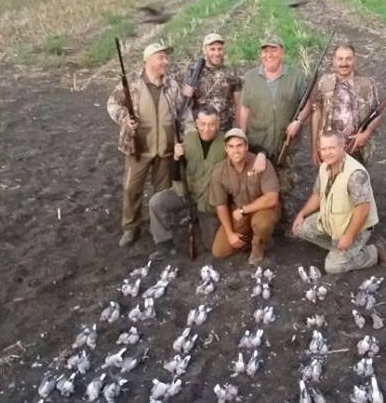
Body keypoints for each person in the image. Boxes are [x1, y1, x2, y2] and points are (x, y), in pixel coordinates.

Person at [107, 42, 192, 247]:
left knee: (161, 192)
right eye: (161, 57)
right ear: (148, 61)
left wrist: (189, 134)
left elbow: (183, 113)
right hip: (139, 148)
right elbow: (112, 104)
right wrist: (125, 118)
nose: (166, 61)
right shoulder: (133, 85)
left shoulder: (171, 85)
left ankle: (160, 231)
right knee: (131, 189)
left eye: (165, 57)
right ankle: (130, 227)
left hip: (165, 149)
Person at [292, 130, 386, 273]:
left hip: (355, 228)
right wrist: (301, 214)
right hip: (332, 221)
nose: (327, 153)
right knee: (300, 229)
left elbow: (363, 210)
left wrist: (349, 236)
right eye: (323, 149)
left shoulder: (355, 174)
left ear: (342, 146)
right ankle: (341, 249)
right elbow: (317, 194)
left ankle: (374, 251)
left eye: (331, 148)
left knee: (333, 267)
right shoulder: (324, 167)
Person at [148, 106, 226, 258]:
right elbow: (175, 175)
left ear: (218, 124)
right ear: (196, 123)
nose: (207, 129)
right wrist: (176, 158)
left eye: (211, 124)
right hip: (186, 192)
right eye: (203, 124)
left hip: (209, 200)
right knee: (156, 202)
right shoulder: (188, 140)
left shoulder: (226, 143)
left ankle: (202, 217)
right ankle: (164, 242)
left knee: (212, 245)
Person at [210, 128, 280, 265]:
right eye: (231, 146)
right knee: (219, 250)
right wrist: (230, 234)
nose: (236, 151)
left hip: (264, 208)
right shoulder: (219, 171)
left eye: (239, 145)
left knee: (262, 223)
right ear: (226, 149)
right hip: (239, 211)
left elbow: (272, 198)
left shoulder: (261, 163)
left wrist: (244, 210)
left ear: (247, 146)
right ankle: (255, 238)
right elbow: (221, 205)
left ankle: (259, 246)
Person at [239, 35, 308, 166]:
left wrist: (298, 121)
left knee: (285, 184)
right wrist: (242, 137)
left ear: (282, 52)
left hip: (286, 145)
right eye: (265, 51)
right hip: (257, 146)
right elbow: (244, 109)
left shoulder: (296, 77)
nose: (269, 55)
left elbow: (307, 102)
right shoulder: (250, 77)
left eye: (274, 50)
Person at [310, 43, 380, 166]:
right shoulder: (324, 82)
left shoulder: (367, 84)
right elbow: (316, 113)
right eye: (340, 59)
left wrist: (366, 133)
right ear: (334, 61)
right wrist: (315, 147)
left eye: (348, 58)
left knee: (354, 182)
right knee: (328, 183)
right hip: (328, 148)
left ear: (355, 60)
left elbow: (378, 112)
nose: (344, 63)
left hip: (355, 148)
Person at [182, 32, 242, 130]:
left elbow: (238, 104)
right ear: (204, 50)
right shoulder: (192, 73)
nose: (217, 53)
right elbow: (184, 105)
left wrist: (239, 129)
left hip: (224, 130)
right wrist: (185, 94)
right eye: (212, 49)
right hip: (201, 131)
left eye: (220, 49)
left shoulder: (232, 74)